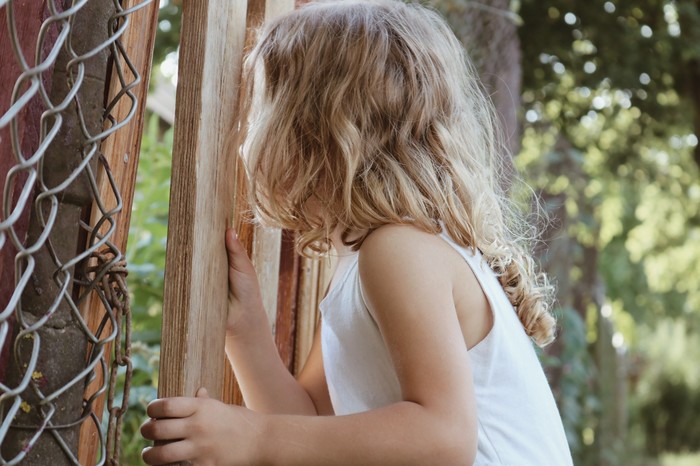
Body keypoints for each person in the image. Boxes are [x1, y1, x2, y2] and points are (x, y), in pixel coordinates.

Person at [140, 1, 574, 464]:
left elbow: (445, 437)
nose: (247, 134)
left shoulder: (400, 250)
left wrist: (257, 438)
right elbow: (310, 427)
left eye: (260, 108)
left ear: (316, 128)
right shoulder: (365, 259)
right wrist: (246, 334)